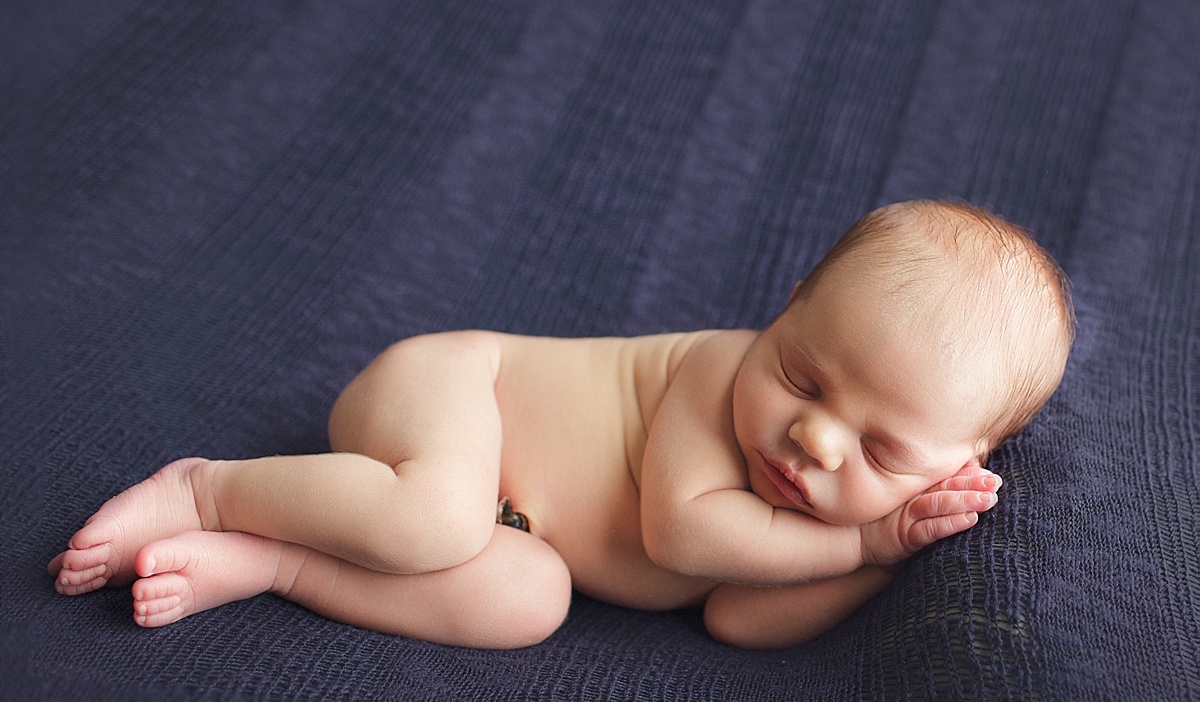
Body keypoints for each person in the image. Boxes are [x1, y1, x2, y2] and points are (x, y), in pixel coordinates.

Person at [48, 200, 1074, 650]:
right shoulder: (715, 371)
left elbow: (737, 617)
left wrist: (876, 564)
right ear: (790, 301)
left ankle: (271, 561)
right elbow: (680, 536)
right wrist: (859, 531)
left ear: (961, 461)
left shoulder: (828, 522)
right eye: (801, 373)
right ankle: (203, 485)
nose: (814, 438)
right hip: (457, 394)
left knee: (528, 601)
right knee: (440, 516)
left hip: (517, 526)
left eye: (883, 450)